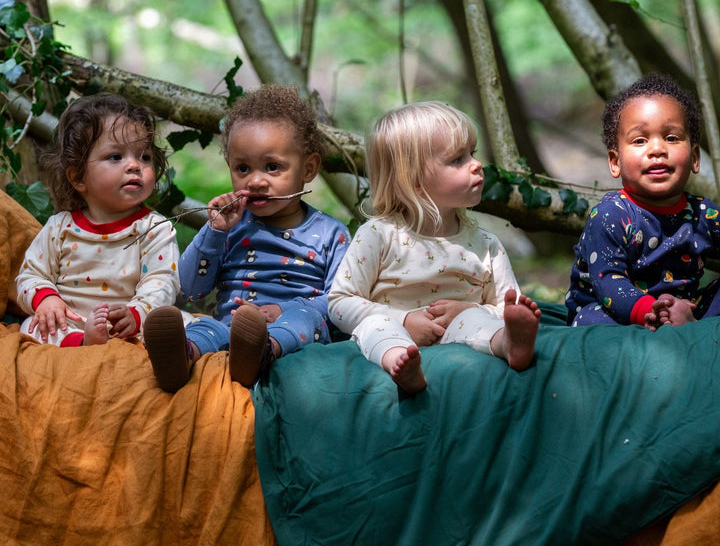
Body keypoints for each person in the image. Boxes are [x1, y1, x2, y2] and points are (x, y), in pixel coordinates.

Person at [143, 85, 350, 392]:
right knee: (205, 326)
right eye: (242, 168)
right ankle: (180, 359)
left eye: (272, 167)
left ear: (308, 168)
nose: (255, 180)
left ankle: (262, 352)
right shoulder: (230, 228)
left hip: (295, 329)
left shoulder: (332, 234)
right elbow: (190, 288)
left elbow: (342, 302)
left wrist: (282, 311)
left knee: (302, 318)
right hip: (231, 329)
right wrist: (214, 232)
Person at [327, 101, 542, 396]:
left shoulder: (485, 244)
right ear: (414, 181)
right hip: (395, 330)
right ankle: (401, 365)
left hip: (460, 330)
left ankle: (508, 344)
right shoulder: (379, 235)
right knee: (374, 326)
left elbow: (508, 308)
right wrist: (403, 320)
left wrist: (468, 309)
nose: (476, 164)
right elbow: (340, 300)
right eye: (457, 159)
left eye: (472, 153)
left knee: (476, 320)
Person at [15, 93, 180, 347]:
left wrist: (136, 313)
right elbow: (29, 275)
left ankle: (105, 344)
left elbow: (162, 282)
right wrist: (46, 299)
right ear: (78, 177)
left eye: (144, 156)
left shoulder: (155, 228)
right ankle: (81, 343)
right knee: (32, 327)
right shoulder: (60, 227)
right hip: (69, 324)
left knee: (181, 324)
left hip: (127, 327)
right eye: (116, 156)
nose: (135, 165)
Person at [566, 72, 720, 328]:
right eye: (640, 140)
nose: (657, 149)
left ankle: (691, 330)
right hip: (617, 314)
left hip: (686, 309)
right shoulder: (610, 215)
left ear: (695, 157)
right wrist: (650, 312)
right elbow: (608, 282)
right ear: (615, 162)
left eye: (671, 138)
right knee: (591, 321)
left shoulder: (703, 213)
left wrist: (677, 312)